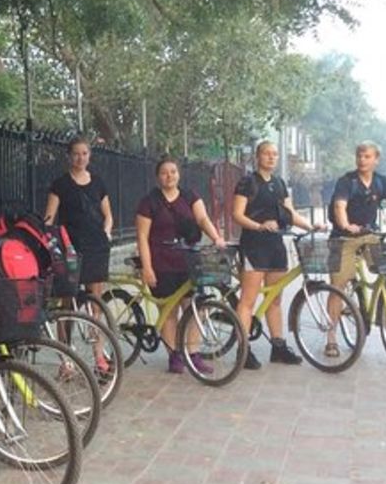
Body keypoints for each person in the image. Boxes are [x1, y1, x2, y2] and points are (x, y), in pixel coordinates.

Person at [325, 140, 386, 357]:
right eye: (359, 156)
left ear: (376, 160)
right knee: (338, 285)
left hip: (370, 235)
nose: (362, 160)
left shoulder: (381, 182)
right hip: (343, 238)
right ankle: (331, 337)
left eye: (367, 156)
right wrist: (345, 225)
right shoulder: (346, 181)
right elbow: (339, 206)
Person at [231, 140, 318, 369]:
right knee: (248, 299)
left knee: (275, 299)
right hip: (254, 245)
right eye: (266, 153)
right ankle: (243, 350)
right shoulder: (247, 182)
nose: (271, 157)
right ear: (257, 157)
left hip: (276, 245)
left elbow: (290, 213)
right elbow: (237, 214)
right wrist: (259, 226)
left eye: (275, 154)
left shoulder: (279, 183)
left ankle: (278, 346)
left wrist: (311, 227)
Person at [134, 157, 226, 373]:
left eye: (173, 172)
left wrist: (216, 238)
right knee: (169, 311)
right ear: (158, 177)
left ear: (179, 174)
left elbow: (203, 219)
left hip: (188, 262)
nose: (169, 176)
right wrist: (147, 267)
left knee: (195, 309)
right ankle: (174, 355)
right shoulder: (149, 202)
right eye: (164, 172)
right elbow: (142, 237)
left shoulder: (189, 196)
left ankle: (193, 353)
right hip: (161, 262)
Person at [44, 137, 113, 300]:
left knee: (95, 296)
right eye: (76, 154)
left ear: (89, 155)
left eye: (84, 153)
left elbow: (108, 215)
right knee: (69, 295)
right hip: (71, 245)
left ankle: (95, 318)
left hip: (96, 245)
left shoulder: (98, 183)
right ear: (69, 156)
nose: (80, 158)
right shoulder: (60, 184)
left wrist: (106, 232)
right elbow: (49, 218)